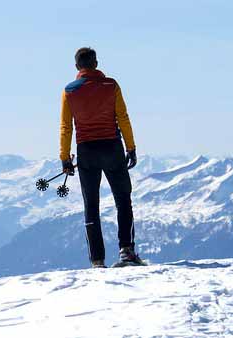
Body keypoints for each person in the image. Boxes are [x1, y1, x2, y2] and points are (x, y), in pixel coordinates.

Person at [59, 47, 144, 268]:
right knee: (123, 199)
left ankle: (97, 261)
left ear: (77, 67)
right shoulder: (111, 86)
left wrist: (65, 158)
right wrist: (131, 147)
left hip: (86, 150)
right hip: (112, 147)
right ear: (96, 63)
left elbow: (66, 127)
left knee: (91, 205)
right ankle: (127, 251)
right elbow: (122, 117)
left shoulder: (69, 91)